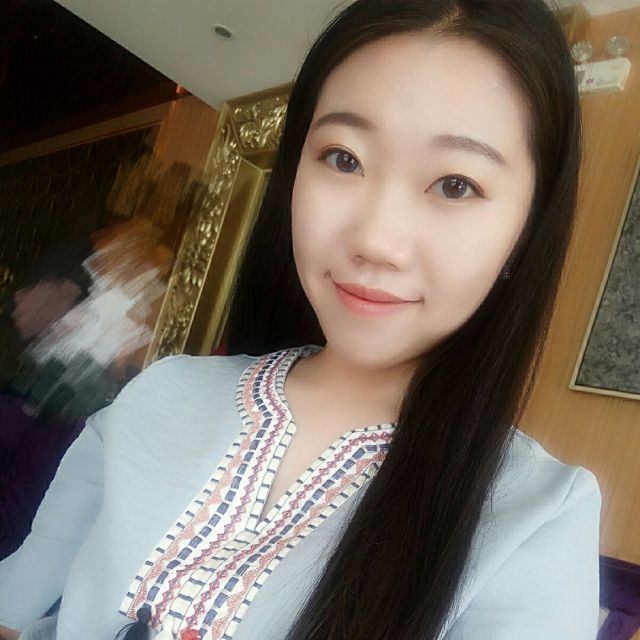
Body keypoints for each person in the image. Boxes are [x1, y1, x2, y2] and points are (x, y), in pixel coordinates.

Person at [0, 0, 602, 638]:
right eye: (344, 158)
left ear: (527, 229)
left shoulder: (534, 516)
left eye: (455, 184)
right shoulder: (161, 393)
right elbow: (16, 605)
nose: (375, 240)